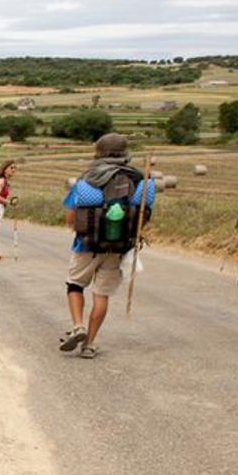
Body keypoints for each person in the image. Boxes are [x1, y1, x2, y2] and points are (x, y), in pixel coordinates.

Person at [57, 134, 155, 359]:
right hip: (117, 248)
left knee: (75, 285)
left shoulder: (89, 178)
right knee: (101, 295)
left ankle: (78, 326)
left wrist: (78, 228)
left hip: (86, 245)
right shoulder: (139, 179)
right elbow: (144, 216)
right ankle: (89, 344)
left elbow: (70, 217)